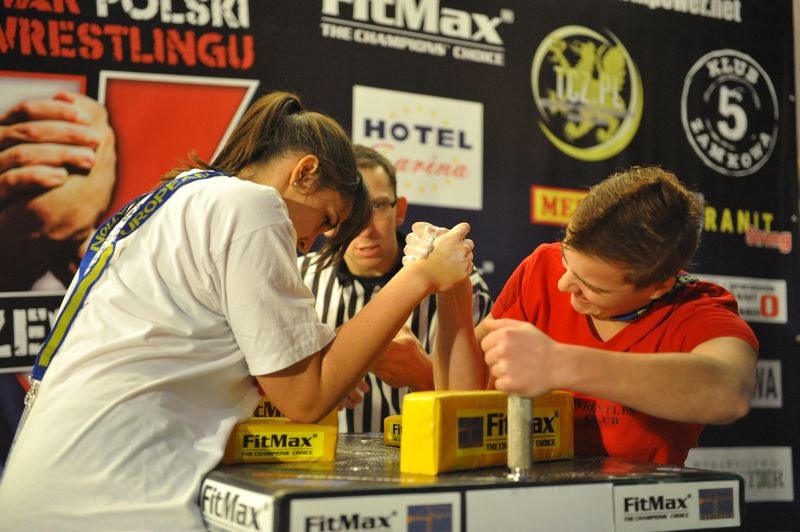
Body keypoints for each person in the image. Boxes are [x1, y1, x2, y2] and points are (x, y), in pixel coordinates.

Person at [0, 90, 475, 530]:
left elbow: (173, 347)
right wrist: (420, 276)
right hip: (107, 498)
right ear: (304, 172)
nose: (308, 243)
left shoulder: (175, 196)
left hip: (46, 485)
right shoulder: (252, 204)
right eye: (325, 220)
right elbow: (305, 399)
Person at [421, 166, 758, 466]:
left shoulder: (697, 309)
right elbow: (462, 400)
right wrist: (450, 290)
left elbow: (731, 391)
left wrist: (560, 364)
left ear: (658, 287)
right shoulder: (542, 268)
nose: (564, 284)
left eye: (591, 286)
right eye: (566, 261)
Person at [297, 144, 493, 433]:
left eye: (376, 206)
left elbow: (485, 415)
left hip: (426, 453)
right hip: (322, 454)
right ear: (327, 218)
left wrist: (424, 374)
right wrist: (313, 380)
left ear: (399, 210)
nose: (364, 228)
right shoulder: (298, 278)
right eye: (349, 210)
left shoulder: (458, 282)